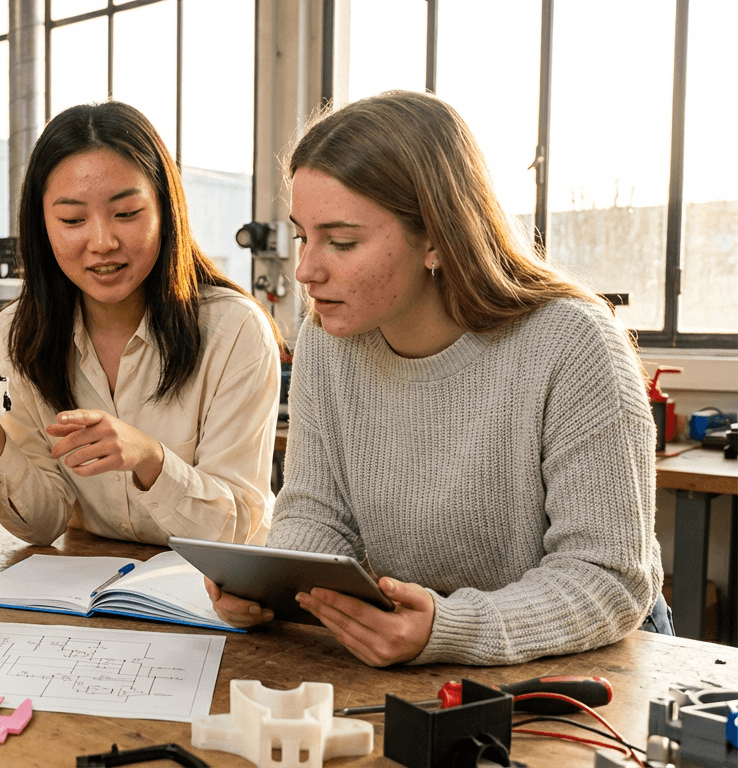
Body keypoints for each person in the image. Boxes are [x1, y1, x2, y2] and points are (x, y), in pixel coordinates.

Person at [206, 90, 667, 667]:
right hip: (418, 653)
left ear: (435, 238)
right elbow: (318, 515)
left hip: (586, 662)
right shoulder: (327, 339)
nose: (306, 269)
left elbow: (609, 577)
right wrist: (273, 587)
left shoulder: (572, 343)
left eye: (341, 241)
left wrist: (450, 628)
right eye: (304, 236)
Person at [0, 101, 283, 547]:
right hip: (91, 593)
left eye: (126, 214)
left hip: (215, 595)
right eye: (72, 220)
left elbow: (234, 529)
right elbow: (43, 524)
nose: (102, 242)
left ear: (165, 211)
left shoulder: (235, 330)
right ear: (42, 226)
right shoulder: (14, 336)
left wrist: (149, 457)